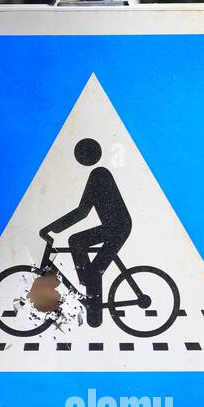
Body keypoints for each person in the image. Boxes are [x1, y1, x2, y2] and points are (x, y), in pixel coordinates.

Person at [38, 138, 131, 327]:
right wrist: (52, 228)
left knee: (87, 257)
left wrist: (52, 228)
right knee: (77, 243)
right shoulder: (97, 175)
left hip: (118, 227)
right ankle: (86, 285)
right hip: (114, 226)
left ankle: (89, 295)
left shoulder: (99, 174)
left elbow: (82, 211)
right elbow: (83, 211)